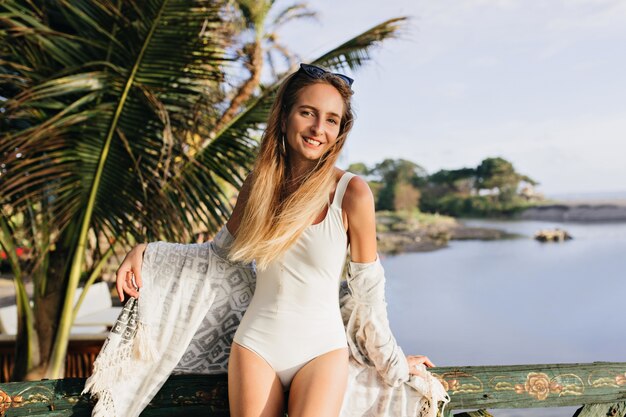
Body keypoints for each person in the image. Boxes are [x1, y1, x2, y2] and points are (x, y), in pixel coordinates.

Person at [111, 63, 439, 417]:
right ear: (284, 117)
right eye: (307, 113)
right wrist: (146, 253)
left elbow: (368, 295)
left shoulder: (353, 193)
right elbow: (219, 254)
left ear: (340, 130)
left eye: (331, 120)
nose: (318, 129)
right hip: (256, 347)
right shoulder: (258, 186)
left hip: (322, 351)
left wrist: (394, 364)